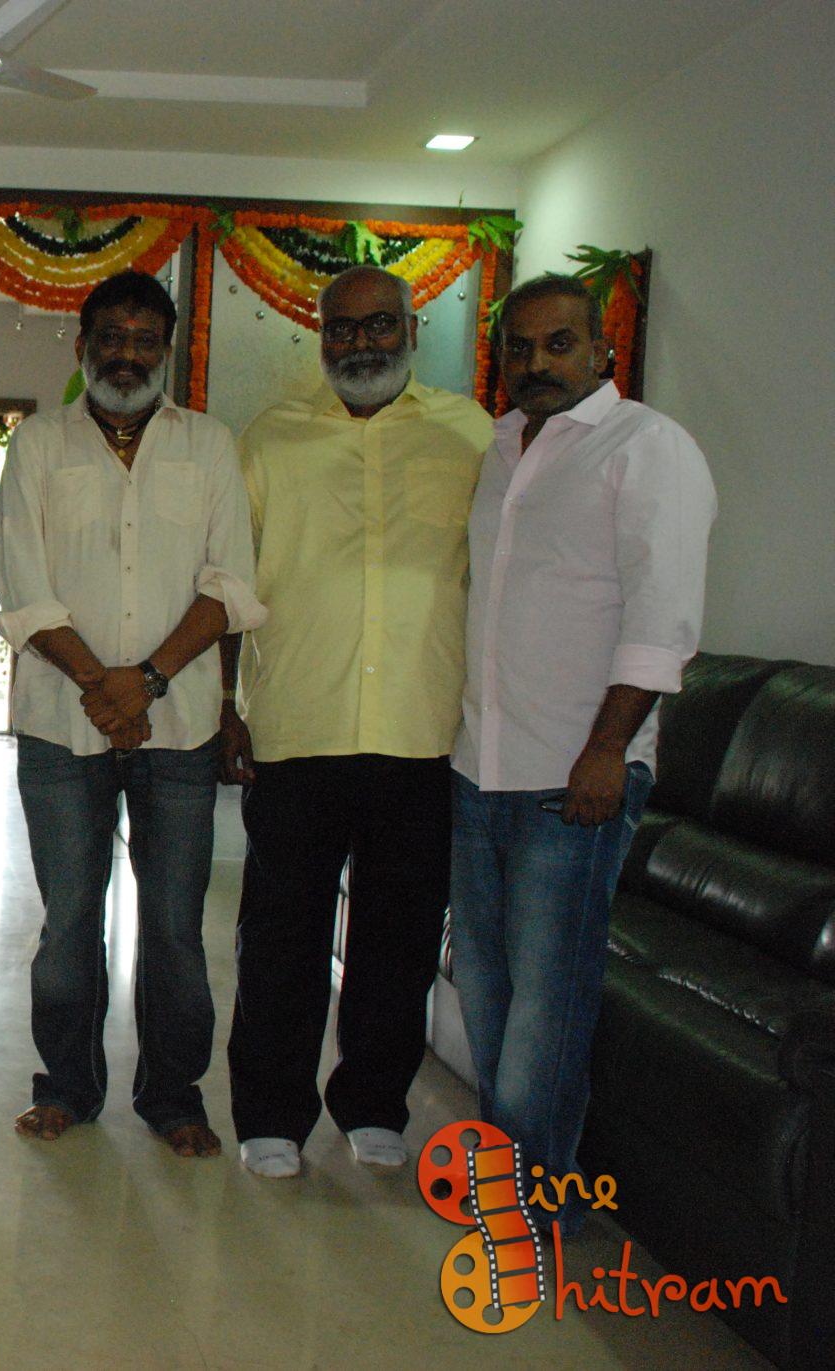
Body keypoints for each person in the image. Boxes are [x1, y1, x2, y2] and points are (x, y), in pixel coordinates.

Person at [450, 273, 715, 1227]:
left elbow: (662, 616)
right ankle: (511, 1175)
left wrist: (607, 749)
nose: (537, 363)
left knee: (546, 1005)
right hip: (479, 766)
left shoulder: (647, 447)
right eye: (519, 348)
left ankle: (533, 1203)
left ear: (603, 349)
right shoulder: (500, 447)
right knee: (485, 985)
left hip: (574, 777)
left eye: (558, 344)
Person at [220, 265, 493, 1179]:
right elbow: (229, 580)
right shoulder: (271, 438)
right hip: (298, 723)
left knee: (399, 937)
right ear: (322, 334)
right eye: (343, 327)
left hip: (422, 728)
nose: (361, 342)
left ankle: (374, 1102)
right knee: (281, 936)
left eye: (380, 325)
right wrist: (224, 706)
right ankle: (271, 1113)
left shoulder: (469, 435)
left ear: (412, 330)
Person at [0, 270, 264, 1157]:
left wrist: (142, 682)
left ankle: (173, 1095)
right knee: (70, 921)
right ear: (83, 345)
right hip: (60, 726)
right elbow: (22, 586)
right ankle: (67, 1087)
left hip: (177, 728)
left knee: (176, 928)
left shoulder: (208, 445)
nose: (127, 355)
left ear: (167, 350)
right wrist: (102, 686)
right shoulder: (40, 443)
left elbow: (229, 584)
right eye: (111, 337)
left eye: (146, 341)